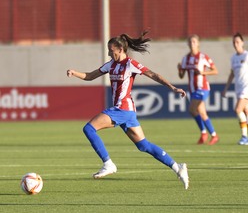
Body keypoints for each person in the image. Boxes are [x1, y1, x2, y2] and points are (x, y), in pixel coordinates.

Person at [67, 31, 189, 189]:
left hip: (122, 109)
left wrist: (172, 88)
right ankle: (177, 167)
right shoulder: (111, 64)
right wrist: (74, 72)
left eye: (111, 50)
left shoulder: (130, 63)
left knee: (89, 129)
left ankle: (108, 164)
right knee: (144, 145)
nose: (109, 52)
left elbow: (153, 75)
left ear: (119, 49)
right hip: (127, 112)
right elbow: (91, 76)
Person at [177, 34, 219, 145]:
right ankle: (213, 135)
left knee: (192, 109)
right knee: (202, 113)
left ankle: (204, 133)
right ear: (188, 44)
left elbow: (215, 70)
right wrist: (179, 70)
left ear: (198, 43)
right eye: (190, 42)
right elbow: (181, 76)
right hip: (192, 89)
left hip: (202, 88)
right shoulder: (185, 59)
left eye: (194, 41)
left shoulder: (203, 57)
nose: (192, 44)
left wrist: (203, 72)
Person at [222, 33, 248, 145]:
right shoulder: (233, 58)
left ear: (242, 43)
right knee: (247, 111)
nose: (236, 44)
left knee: (238, 109)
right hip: (239, 88)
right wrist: (226, 88)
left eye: (238, 42)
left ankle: (244, 136)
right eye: (234, 42)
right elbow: (232, 74)